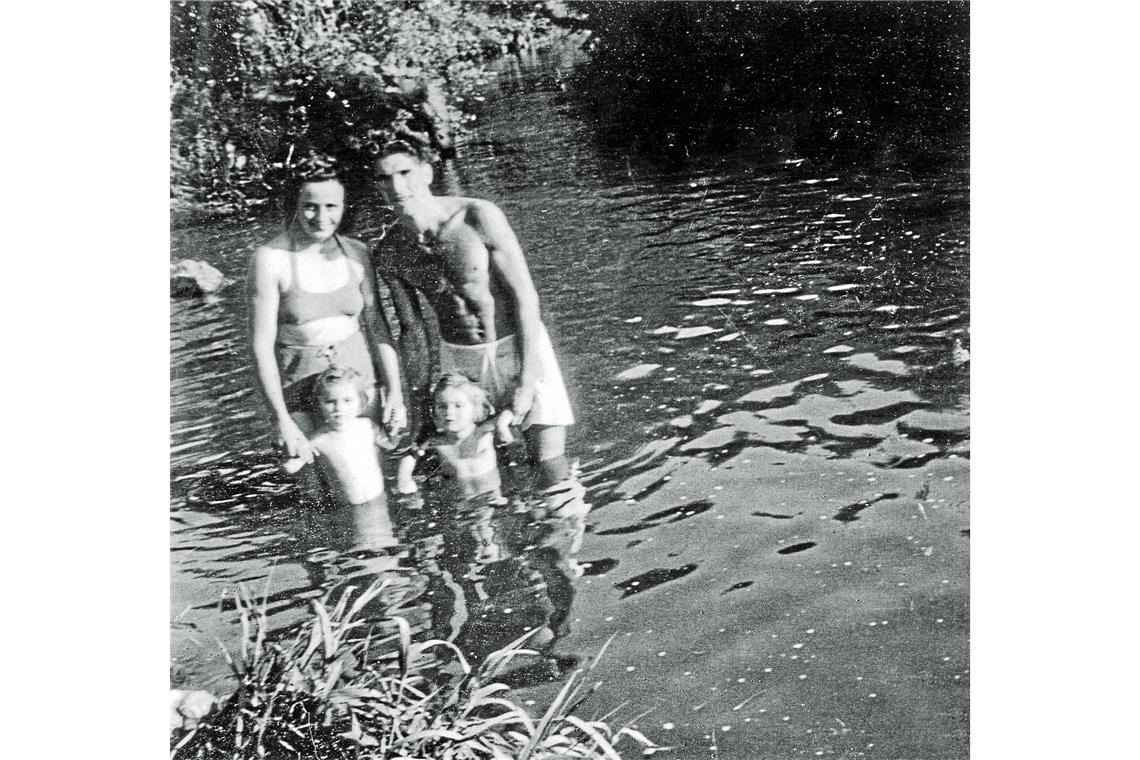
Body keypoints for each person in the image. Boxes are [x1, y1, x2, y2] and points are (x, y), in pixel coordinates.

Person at [371, 140, 574, 489]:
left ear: (426, 173)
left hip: (518, 346)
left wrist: (527, 382)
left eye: (404, 173)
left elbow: (525, 296)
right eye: (384, 178)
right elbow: (411, 330)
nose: (396, 186)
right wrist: (420, 409)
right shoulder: (390, 250)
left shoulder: (479, 215)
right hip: (462, 363)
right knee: (484, 472)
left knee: (549, 466)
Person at [247, 154, 411, 491]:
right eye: (310, 206)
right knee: (317, 490)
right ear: (294, 202)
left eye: (332, 206)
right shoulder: (270, 259)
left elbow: (377, 325)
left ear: (344, 204)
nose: (322, 218)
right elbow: (261, 345)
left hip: (359, 382)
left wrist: (394, 392)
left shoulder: (356, 252)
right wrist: (280, 418)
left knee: (375, 480)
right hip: (299, 383)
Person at [282, 366, 396, 507]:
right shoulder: (319, 438)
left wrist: (392, 426)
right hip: (349, 505)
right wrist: (294, 463)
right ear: (319, 404)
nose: (339, 408)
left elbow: (390, 445)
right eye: (330, 401)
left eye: (347, 400)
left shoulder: (368, 426)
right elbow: (299, 460)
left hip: (378, 496)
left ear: (361, 402)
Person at [416, 372, 515, 501]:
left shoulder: (483, 432)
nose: (449, 412)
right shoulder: (437, 442)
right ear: (434, 411)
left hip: (492, 498)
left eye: (458, 406)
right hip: (460, 505)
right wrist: (405, 477)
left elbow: (510, 411)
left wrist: (502, 426)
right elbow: (412, 453)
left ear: (475, 408)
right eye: (442, 406)